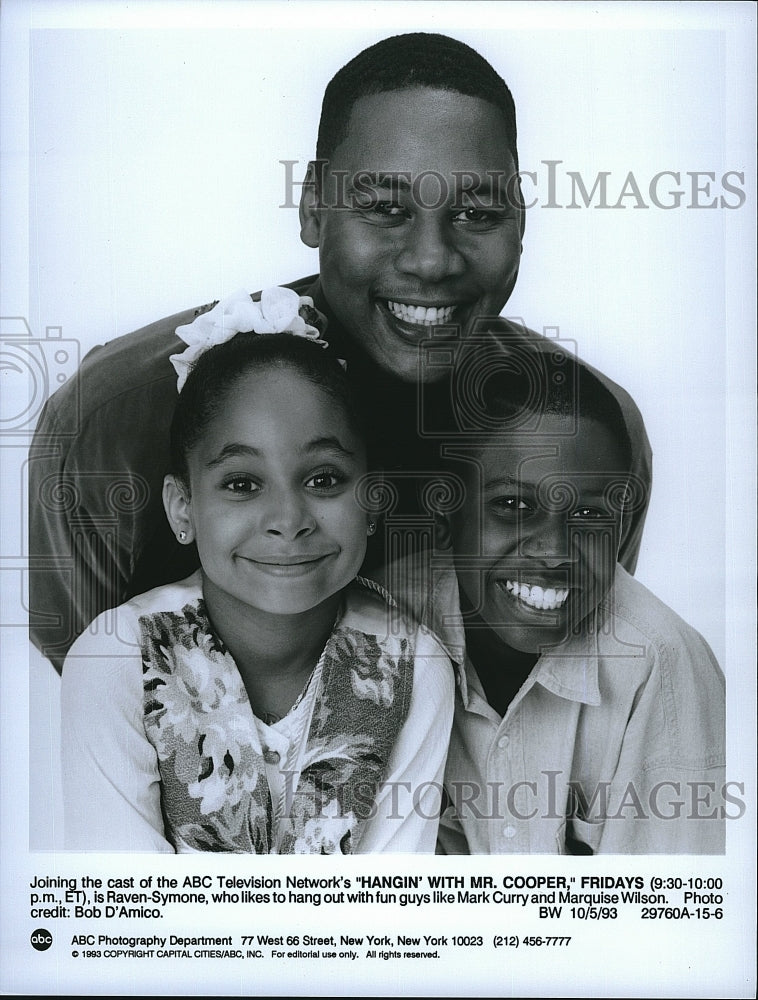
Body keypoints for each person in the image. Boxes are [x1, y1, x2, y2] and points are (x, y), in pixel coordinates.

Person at [28, 31, 652, 673]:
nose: (432, 260)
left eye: (477, 213)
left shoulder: (587, 430)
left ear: (520, 220)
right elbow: (102, 703)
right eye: (385, 208)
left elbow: (562, 688)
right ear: (312, 208)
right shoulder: (109, 424)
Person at [61, 288, 454, 853]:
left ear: (372, 500)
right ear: (183, 509)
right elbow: (125, 913)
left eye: (323, 479)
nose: (288, 520)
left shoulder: (415, 667)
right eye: (242, 484)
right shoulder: (114, 656)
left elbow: (389, 911)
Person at [384, 335, 725, 854]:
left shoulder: (660, 662)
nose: (554, 551)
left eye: (590, 516)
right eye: (514, 506)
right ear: (447, 515)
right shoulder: (382, 626)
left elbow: (667, 914)